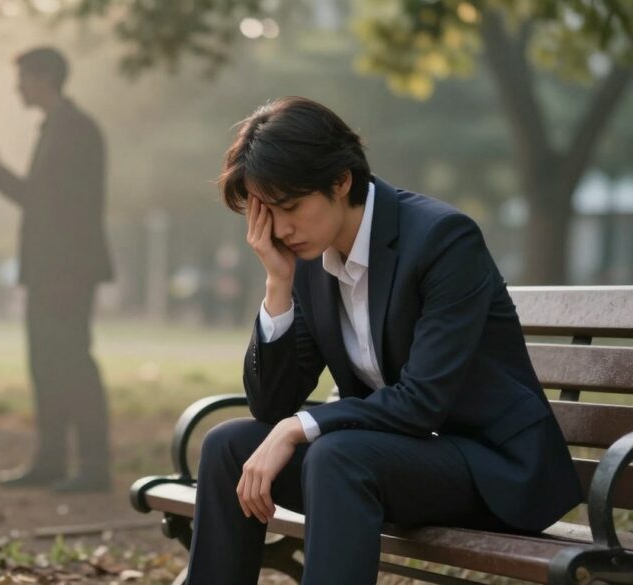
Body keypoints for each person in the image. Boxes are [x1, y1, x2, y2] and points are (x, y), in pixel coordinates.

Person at [186, 96, 581, 583]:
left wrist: (297, 427)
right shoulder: (309, 261)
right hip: (392, 462)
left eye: (290, 207)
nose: (282, 229)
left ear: (340, 180)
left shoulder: (442, 240)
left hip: (491, 470)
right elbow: (271, 403)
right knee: (228, 446)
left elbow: (422, 402)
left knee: (337, 455)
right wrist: (277, 286)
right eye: (268, 213)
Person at [0, 47, 114, 492]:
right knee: (46, 364)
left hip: (67, 270)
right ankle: (51, 459)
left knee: (71, 363)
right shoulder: (57, 128)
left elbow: (64, 207)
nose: (18, 87)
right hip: (50, 269)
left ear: (45, 76)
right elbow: (43, 198)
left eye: (24, 77)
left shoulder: (76, 130)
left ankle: (93, 465)